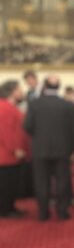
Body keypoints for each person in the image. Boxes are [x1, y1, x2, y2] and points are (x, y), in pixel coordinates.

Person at [23, 75, 74, 221]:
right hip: (63, 149)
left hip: (40, 149)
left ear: (45, 86)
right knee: (62, 181)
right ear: (59, 86)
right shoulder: (68, 105)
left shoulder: (34, 104)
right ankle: (62, 212)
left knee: (41, 182)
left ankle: (43, 213)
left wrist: (39, 137)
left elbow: (27, 126)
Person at [0, 80, 30, 218]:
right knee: (7, 183)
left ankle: (9, 207)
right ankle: (6, 209)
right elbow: (5, 131)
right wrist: (15, 149)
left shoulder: (9, 107)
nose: (22, 92)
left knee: (10, 183)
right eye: (19, 89)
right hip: (7, 154)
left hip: (10, 153)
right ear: (12, 92)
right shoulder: (5, 107)